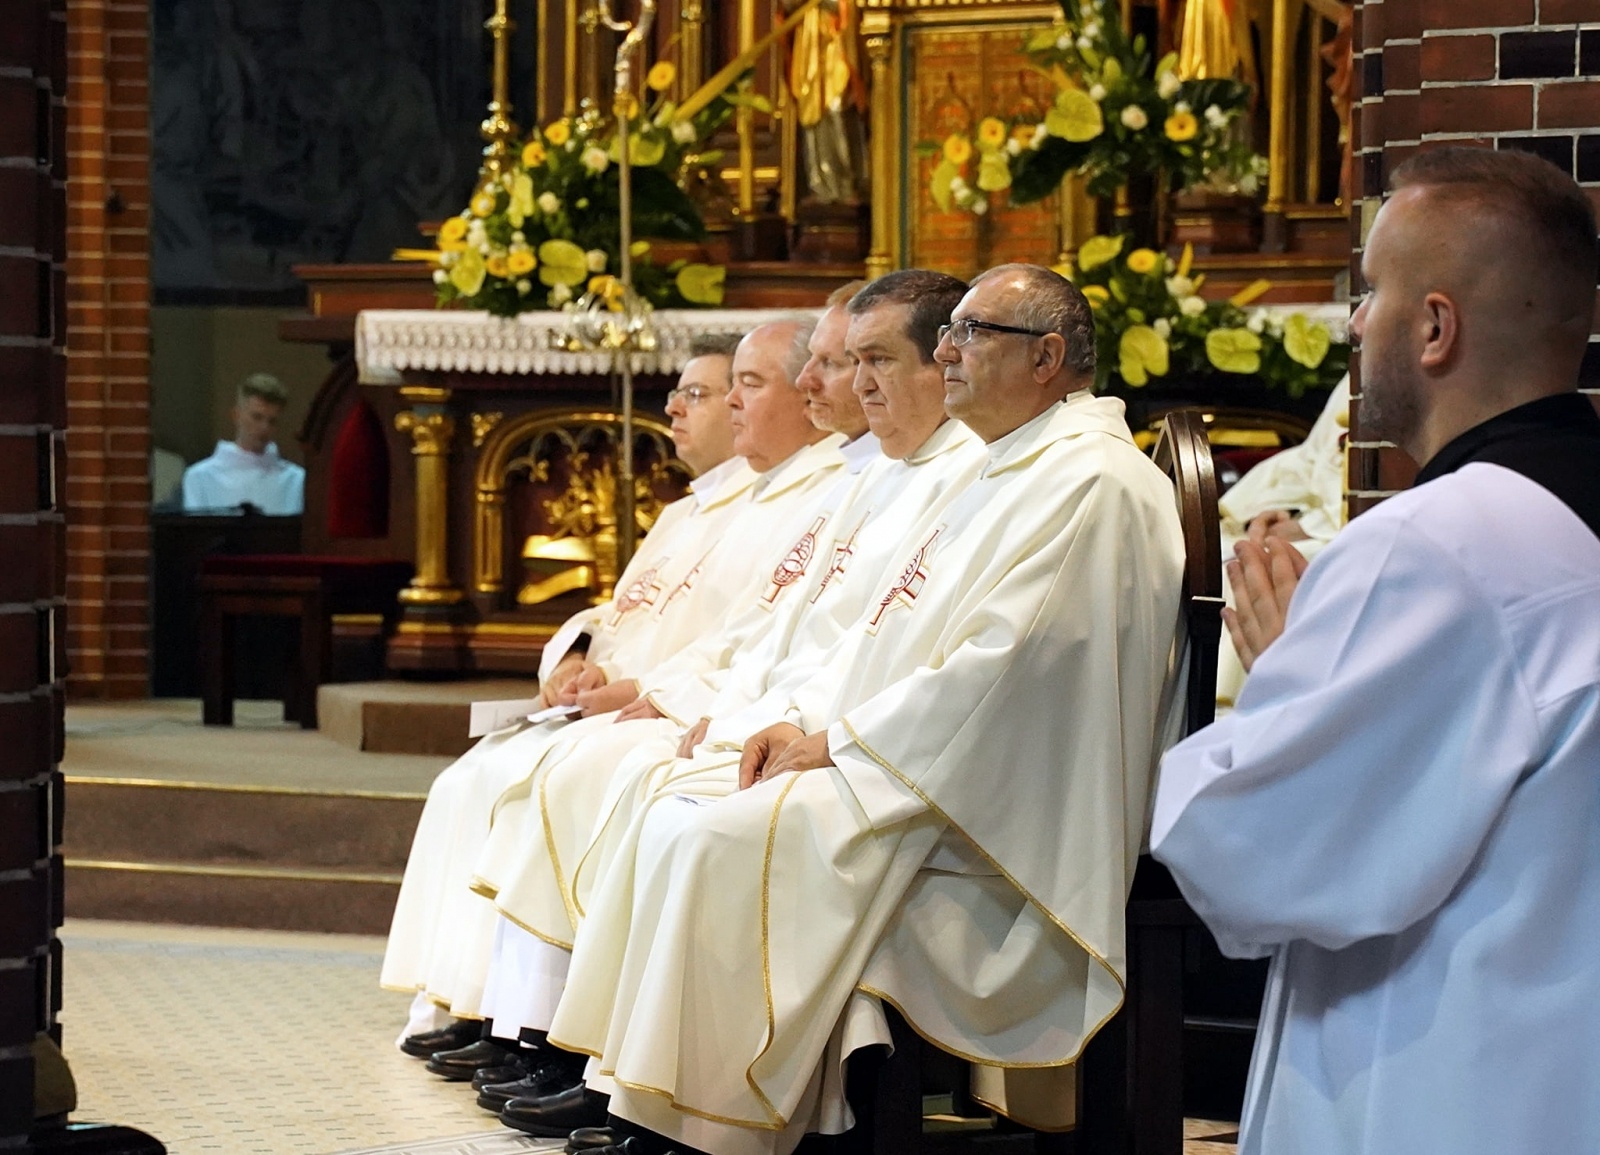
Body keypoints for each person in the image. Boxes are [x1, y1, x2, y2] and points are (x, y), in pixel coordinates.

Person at [546, 265, 1185, 1155]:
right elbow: (885, 634)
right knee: (684, 813)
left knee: (711, 835)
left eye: (971, 334)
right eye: (948, 333)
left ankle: (710, 1128)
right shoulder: (1007, 465)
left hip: (999, 819)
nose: (949, 352)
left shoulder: (1089, 480)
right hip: (925, 766)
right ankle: (663, 1105)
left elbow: (1003, 670)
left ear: (1047, 358)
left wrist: (840, 740)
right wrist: (805, 720)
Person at [1151, 147, 1600, 1155]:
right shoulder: (1552, 518)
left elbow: (1252, 848)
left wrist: (1288, 677)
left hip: (1443, 1079)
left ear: (1435, 327)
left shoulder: (1432, 548)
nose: (1355, 325)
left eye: (1371, 293)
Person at [471, 272, 984, 1135]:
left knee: (673, 817)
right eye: (846, 362)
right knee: (638, 796)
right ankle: (608, 1071)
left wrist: (756, 717)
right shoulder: (879, 476)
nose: (848, 383)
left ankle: (688, 1105)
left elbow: (886, 650)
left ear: (944, 362)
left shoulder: (945, 476)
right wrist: (716, 704)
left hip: (866, 750)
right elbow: (775, 629)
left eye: (870, 361)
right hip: (783, 719)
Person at [383, 321, 846, 1045]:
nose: (695, 408)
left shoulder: (806, 498)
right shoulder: (695, 507)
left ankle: (538, 1028)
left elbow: (750, 638)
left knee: (557, 775)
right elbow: (624, 612)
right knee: (470, 777)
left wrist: (651, 692)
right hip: (667, 698)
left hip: (706, 709)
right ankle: (470, 1000)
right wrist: (579, 654)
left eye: (735, 387)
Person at [1215, 373, 1350, 704]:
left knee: (1255, 561)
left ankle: (1230, 704)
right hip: (1313, 515)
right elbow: (1312, 458)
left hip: (1343, 527)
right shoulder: (1357, 372)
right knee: (1216, 546)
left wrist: (1313, 527)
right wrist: (1269, 508)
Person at [181, 373, 306, 514]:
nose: (264, 427)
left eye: (272, 421)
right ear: (236, 415)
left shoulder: (295, 480)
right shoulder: (200, 477)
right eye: (257, 417)